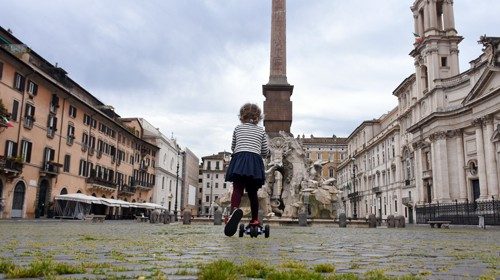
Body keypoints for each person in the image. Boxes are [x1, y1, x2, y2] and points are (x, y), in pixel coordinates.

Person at [224, 103, 270, 236]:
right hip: (254, 162)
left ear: (241, 116)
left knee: (237, 189)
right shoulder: (261, 131)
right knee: (252, 193)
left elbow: (233, 146)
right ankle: (255, 220)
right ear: (258, 117)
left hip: (239, 159)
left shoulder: (238, 128)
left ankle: (234, 211)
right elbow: (265, 151)